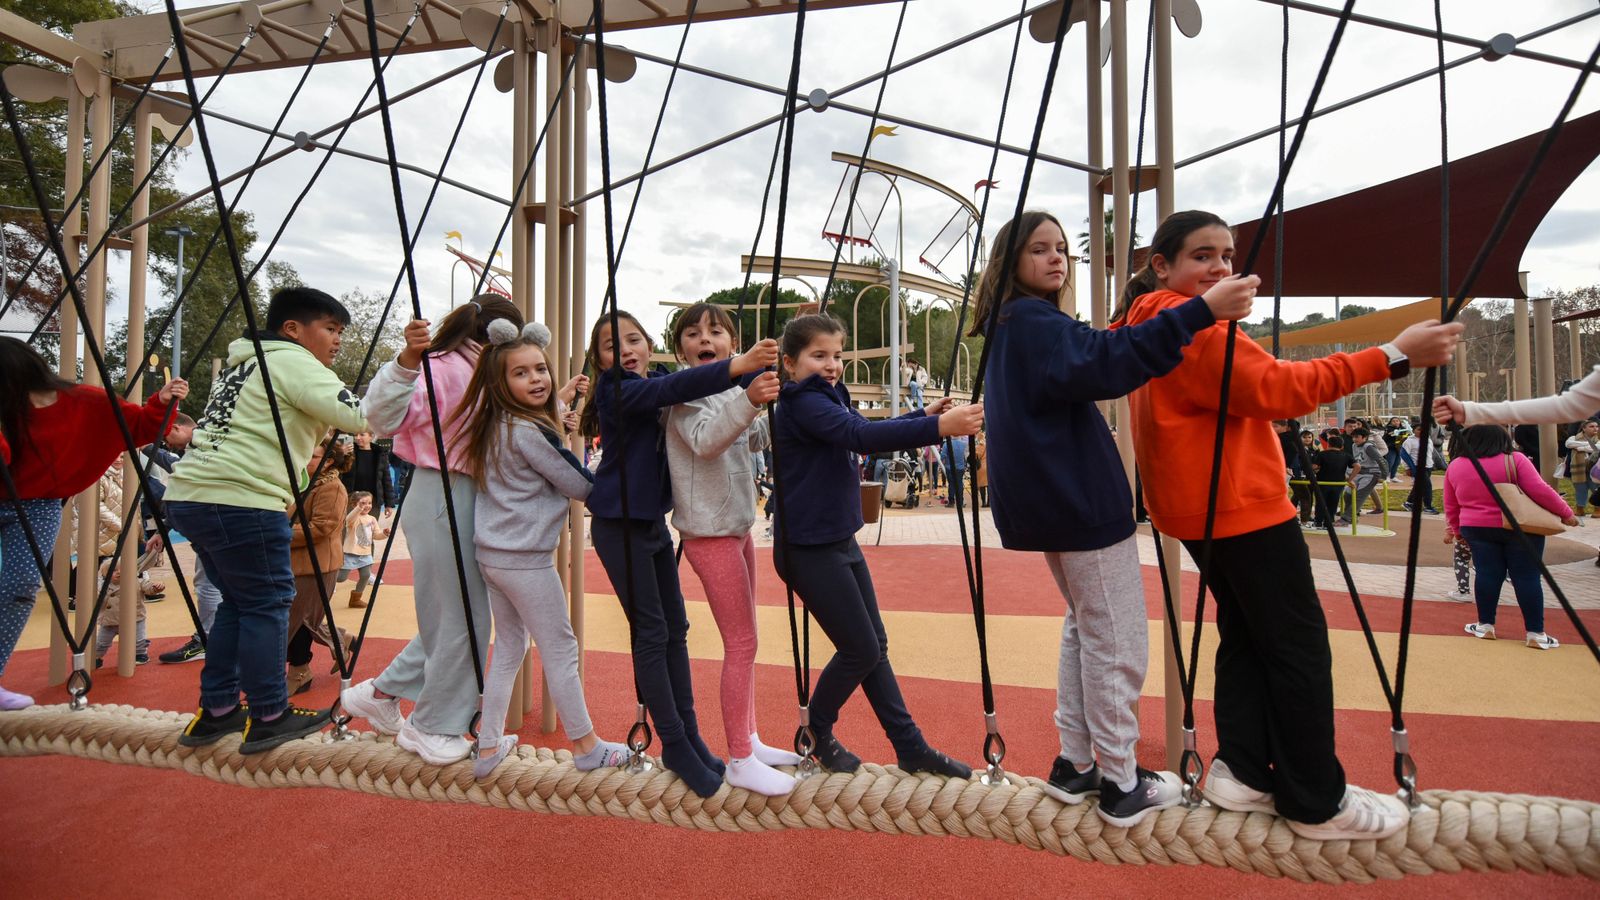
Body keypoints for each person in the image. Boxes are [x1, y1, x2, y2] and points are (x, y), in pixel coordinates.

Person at [1119, 209, 1464, 841]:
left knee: (1250, 634)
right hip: (1240, 504)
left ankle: (1244, 769)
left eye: (1227, 255)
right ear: (1162, 265)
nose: (1222, 267)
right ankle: (1315, 799)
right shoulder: (1197, 328)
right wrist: (1393, 355)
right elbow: (1278, 389)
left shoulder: (1154, 322)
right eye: (1203, 255)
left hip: (1197, 506)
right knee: (1297, 646)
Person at [973, 210, 1255, 825]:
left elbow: (1093, 355)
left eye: (1059, 250)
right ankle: (1120, 781)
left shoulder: (1013, 325)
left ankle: (1076, 763)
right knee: (1118, 639)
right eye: (1038, 250)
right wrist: (1200, 311)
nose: (1055, 259)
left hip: (1052, 503)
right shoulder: (1035, 323)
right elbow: (1105, 362)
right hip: (1078, 503)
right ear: (1011, 263)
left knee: (1085, 627)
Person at [771, 313, 983, 781]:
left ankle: (911, 747)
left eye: (837, 356)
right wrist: (939, 428)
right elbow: (860, 436)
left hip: (836, 541)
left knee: (874, 645)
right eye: (818, 356)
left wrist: (920, 416)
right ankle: (817, 732)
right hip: (807, 549)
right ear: (790, 363)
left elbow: (862, 431)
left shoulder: (829, 396)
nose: (831, 365)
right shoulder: (802, 402)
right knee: (860, 649)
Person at [581, 309, 778, 798]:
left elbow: (698, 389)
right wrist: (739, 366)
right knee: (651, 632)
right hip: (618, 524)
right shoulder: (618, 390)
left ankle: (689, 734)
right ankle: (673, 741)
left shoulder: (663, 381)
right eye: (611, 346)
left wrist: (763, 373)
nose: (625, 350)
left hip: (649, 523)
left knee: (677, 630)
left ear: (650, 344)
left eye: (633, 339)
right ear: (599, 360)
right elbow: (680, 390)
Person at [164, 287, 365, 753]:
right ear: (293, 330)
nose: (337, 341)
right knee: (268, 603)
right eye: (331, 329)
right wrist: (405, 369)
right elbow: (358, 416)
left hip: (192, 493)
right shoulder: (291, 361)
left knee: (238, 601)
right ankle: (269, 713)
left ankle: (216, 710)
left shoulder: (243, 363)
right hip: (241, 498)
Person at [341, 295, 522, 766]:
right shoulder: (439, 366)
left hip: (462, 492)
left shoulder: (476, 370)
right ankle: (433, 724)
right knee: (465, 617)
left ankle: (382, 692)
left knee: (454, 614)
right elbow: (378, 418)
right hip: (444, 489)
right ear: (496, 339)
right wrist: (404, 362)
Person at [449, 318, 629, 779]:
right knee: (561, 648)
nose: (537, 379)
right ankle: (586, 745)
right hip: (525, 560)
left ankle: (488, 745)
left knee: (510, 644)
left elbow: (538, 442)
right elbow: (577, 483)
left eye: (540, 370)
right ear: (501, 381)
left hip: (493, 554)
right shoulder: (531, 432)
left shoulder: (498, 424)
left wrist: (558, 410)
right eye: (521, 373)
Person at [0, 336, 186, 709]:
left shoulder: (81, 402)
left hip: (37, 502)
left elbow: (135, 426)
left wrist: (160, 402)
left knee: (20, 585)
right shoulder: (8, 411)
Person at [663, 303, 802, 796]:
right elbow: (706, 440)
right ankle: (739, 757)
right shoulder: (684, 397)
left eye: (716, 331)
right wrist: (746, 401)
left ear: (732, 344)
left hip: (738, 525)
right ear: (681, 347)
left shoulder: (727, 388)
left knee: (750, 639)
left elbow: (753, 436)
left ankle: (751, 738)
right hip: (709, 532)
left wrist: (768, 397)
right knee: (739, 644)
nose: (706, 338)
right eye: (694, 333)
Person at [1443, 425, 1576, 650]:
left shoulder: (1456, 465)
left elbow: (1451, 503)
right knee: (1527, 577)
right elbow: (1539, 490)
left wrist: (1456, 531)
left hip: (1476, 527)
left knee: (1486, 574)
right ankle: (1536, 632)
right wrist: (1566, 514)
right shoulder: (1515, 459)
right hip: (1520, 526)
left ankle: (1485, 625)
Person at [284, 435, 351, 696]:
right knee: (302, 617)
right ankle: (340, 638)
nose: (305, 459)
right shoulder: (304, 483)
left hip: (317, 565)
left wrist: (279, 532)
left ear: (328, 462)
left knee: (299, 620)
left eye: (312, 456)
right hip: (296, 562)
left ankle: (300, 671)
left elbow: (321, 528)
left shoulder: (331, 488)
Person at [339, 491, 388, 609]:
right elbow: (349, 519)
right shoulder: (353, 518)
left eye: (369, 503)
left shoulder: (372, 519)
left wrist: (384, 534)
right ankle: (324, 584)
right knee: (341, 578)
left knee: (366, 575)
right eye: (363, 503)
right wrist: (358, 509)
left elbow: (376, 535)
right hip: (351, 552)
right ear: (354, 505)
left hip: (365, 553)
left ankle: (355, 600)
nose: (367, 506)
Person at [340, 430, 396, 519]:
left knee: (370, 529)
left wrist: (389, 504)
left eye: (362, 435)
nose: (357, 438)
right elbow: (339, 469)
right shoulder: (350, 452)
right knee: (349, 527)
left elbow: (386, 479)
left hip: (372, 500)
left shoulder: (380, 454)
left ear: (371, 437)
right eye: (356, 435)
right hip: (352, 498)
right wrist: (341, 453)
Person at [1312, 434, 1354, 529]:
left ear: (1328, 445)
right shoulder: (1346, 455)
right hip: (1338, 484)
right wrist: (1350, 478)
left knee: (1321, 502)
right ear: (1342, 446)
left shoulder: (1322, 454)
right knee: (1333, 503)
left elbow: (1314, 467)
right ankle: (1329, 522)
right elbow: (1357, 466)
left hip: (1323, 482)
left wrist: (1317, 470)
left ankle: (1318, 522)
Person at [1349, 428, 1388, 518]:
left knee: (1360, 492)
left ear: (1365, 437)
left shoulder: (1369, 446)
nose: (1354, 439)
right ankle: (1352, 510)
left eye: (1357, 437)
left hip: (1371, 472)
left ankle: (1350, 514)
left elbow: (1381, 460)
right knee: (1349, 492)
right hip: (1361, 471)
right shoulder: (1354, 445)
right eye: (1353, 437)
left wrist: (1383, 475)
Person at [1563, 420, 1599, 516]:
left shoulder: (1598, 438)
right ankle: (1580, 508)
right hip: (1579, 469)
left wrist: (1579, 447)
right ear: (1584, 428)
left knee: (1595, 488)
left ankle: (1598, 509)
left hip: (1595, 469)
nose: (1595, 428)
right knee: (1580, 489)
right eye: (1591, 426)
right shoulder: (1573, 438)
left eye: (1596, 426)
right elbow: (1568, 444)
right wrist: (1587, 445)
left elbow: (1596, 448)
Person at [1402, 427, 1441, 514]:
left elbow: (1430, 453)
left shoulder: (1428, 440)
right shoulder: (1409, 441)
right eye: (1419, 429)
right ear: (1413, 430)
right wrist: (1407, 468)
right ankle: (1428, 507)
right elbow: (1404, 455)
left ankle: (1409, 503)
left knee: (1419, 485)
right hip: (1417, 467)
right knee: (1427, 486)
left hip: (1428, 466)